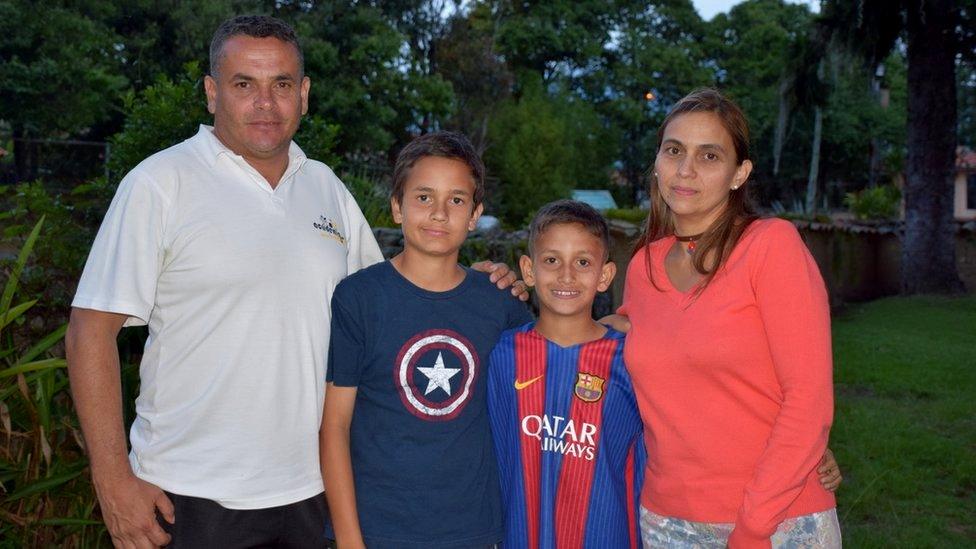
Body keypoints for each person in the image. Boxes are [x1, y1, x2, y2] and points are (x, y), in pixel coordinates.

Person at [65, 16, 521, 548]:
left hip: (313, 494)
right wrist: (113, 479)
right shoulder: (159, 184)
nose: (266, 102)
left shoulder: (324, 187)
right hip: (192, 495)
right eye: (244, 84)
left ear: (303, 95)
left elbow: (398, 299)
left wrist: (482, 282)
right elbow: (88, 332)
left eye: (281, 84)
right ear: (212, 93)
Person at [617, 88, 841, 548]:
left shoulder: (770, 248)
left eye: (709, 156)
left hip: (776, 523)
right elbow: (610, 338)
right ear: (657, 161)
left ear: (739, 174)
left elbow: (808, 399)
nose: (686, 170)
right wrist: (506, 288)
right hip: (666, 521)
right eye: (674, 150)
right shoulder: (644, 266)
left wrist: (754, 527)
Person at [320, 131, 532, 548]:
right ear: (397, 207)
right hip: (379, 528)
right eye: (423, 197)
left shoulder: (500, 303)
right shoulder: (359, 297)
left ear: (475, 215)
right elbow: (334, 425)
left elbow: (554, 362)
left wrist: (616, 324)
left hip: (474, 528)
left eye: (456, 200)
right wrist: (349, 539)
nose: (439, 213)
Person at [487, 200, 645, 548]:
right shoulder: (501, 354)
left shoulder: (632, 360)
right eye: (552, 260)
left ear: (605, 276)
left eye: (583, 262)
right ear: (528, 270)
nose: (567, 275)